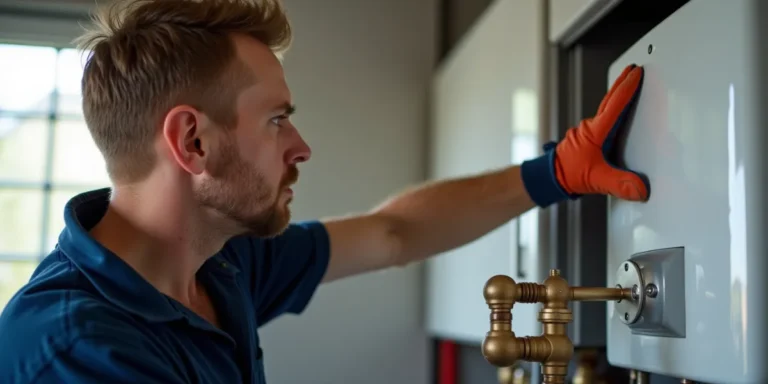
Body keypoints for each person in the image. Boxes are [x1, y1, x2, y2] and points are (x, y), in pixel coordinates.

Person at [0, 0, 649, 383]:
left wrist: (556, 172)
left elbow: (394, 232)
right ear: (192, 142)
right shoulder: (74, 350)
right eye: (276, 119)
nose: (300, 146)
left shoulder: (220, 265)